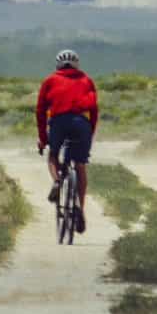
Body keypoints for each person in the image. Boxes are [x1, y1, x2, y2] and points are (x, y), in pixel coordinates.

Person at [36, 48, 98, 231]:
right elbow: (94, 110)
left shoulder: (50, 80)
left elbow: (40, 111)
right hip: (81, 124)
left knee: (53, 155)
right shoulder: (87, 80)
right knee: (80, 165)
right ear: (76, 64)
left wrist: (43, 138)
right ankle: (80, 207)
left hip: (59, 122)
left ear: (58, 64)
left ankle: (56, 181)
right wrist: (89, 133)